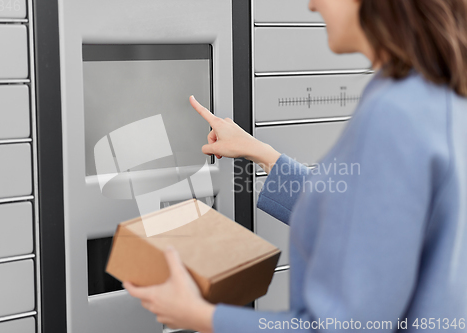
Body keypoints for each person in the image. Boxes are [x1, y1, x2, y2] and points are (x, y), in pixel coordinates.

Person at [123, 0, 467, 331]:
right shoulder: (436, 96)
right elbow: (366, 219)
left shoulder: (392, 114)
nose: (311, 5)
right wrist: (262, 153)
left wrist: (200, 316)